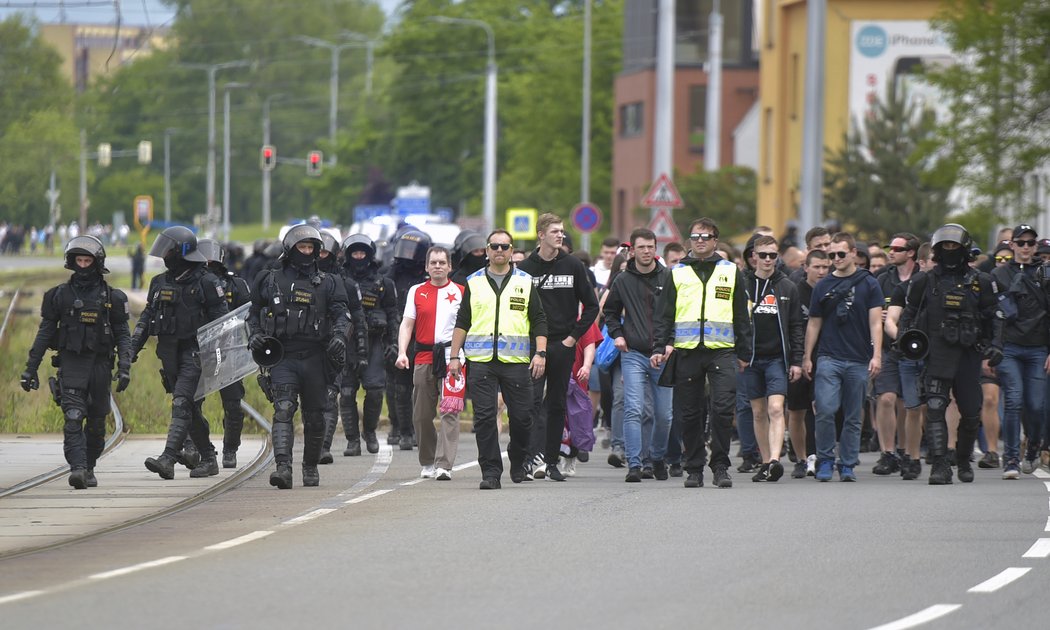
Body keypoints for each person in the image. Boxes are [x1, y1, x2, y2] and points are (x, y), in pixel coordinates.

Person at [21, 236, 132, 489]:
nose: (83, 265)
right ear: (72, 263)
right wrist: (31, 368)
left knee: (96, 423)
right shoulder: (58, 296)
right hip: (71, 364)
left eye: (87, 260)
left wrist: (125, 367)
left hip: (101, 366)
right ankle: (78, 468)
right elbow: (45, 333)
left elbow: (123, 335)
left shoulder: (112, 297)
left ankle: (89, 465)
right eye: (79, 260)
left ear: (97, 262)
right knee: (73, 416)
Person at [247, 225, 350, 489]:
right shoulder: (269, 279)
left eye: (310, 248)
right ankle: (283, 468)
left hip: (316, 357)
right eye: (301, 247)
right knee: (283, 409)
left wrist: (340, 336)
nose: (306, 252)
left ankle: (310, 466)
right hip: (283, 355)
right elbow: (253, 313)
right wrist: (255, 335)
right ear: (290, 249)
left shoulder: (329, 282)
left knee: (315, 417)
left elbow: (342, 314)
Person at [653, 217, 752, 489]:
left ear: (715, 241)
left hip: (721, 350)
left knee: (721, 409)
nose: (699, 241)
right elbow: (664, 314)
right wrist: (659, 347)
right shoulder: (677, 272)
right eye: (695, 237)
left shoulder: (731, 271)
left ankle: (720, 465)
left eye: (705, 237)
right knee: (690, 413)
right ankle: (694, 467)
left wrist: (745, 351)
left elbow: (741, 314)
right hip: (687, 351)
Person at [899, 224, 1003, 483]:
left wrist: (996, 346)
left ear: (965, 249)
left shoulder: (982, 281)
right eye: (945, 246)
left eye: (954, 246)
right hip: (937, 353)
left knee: (970, 412)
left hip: (969, 354)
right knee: (934, 406)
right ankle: (940, 465)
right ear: (936, 250)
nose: (949, 251)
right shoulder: (924, 280)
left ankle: (964, 459)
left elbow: (996, 317)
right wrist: (905, 341)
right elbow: (909, 314)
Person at [449, 229, 548, 489]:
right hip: (481, 360)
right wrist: (454, 357)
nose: (500, 251)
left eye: (505, 247)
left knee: (522, 418)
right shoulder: (474, 281)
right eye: (495, 246)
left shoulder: (525, 281)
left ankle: (518, 459)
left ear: (511, 250)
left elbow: (538, 320)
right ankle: (490, 472)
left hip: (515, 361)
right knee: (483, 417)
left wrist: (540, 353)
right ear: (488, 250)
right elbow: (463, 321)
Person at [132, 226, 228, 479]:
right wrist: (132, 348)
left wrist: (216, 358)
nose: (164, 255)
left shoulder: (207, 282)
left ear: (182, 252)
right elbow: (147, 317)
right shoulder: (159, 283)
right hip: (169, 354)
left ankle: (168, 458)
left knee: (181, 403)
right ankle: (208, 459)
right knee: (190, 410)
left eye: (168, 250)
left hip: (195, 354)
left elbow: (223, 323)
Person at [517, 213, 599, 481]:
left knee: (556, 405)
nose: (560, 235)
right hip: (533, 346)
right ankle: (528, 458)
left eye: (562, 231)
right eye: (554, 231)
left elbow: (591, 306)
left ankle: (551, 462)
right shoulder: (526, 269)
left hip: (563, 345)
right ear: (541, 235)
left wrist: (572, 338)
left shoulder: (573, 265)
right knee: (529, 404)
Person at [803, 232, 883, 482]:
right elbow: (814, 323)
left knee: (852, 413)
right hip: (829, 357)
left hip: (859, 358)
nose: (835, 258)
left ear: (852, 254)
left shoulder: (869, 283)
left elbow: (875, 323)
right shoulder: (824, 285)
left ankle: (847, 463)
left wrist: (877, 355)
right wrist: (807, 356)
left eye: (840, 254)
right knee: (825, 409)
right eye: (831, 255)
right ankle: (825, 459)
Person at [603, 228, 673, 482]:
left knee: (663, 415)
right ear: (632, 250)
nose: (646, 252)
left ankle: (655, 458)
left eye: (651, 247)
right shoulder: (622, 280)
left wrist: (670, 344)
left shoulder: (667, 276)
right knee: (633, 409)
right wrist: (617, 335)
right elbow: (610, 312)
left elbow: (674, 315)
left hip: (663, 354)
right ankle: (634, 464)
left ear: (656, 249)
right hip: (632, 352)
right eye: (641, 247)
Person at [396, 246, 464, 480]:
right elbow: (407, 324)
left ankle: (445, 464)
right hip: (423, 357)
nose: (437, 266)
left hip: (453, 358)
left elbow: (468, 328)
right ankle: (427, 460)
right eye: (433, 263)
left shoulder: (461, 292)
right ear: (426, 267)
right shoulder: (416, 291)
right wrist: (402, 352)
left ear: (449, 266)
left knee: (450, 412)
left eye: (442, 263)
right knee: (422, 414)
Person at [990, 224, 1050, 478]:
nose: (1026, 247)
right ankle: (1011, 458)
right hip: (1010, 348)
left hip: (1038, 348)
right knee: (1013, 401)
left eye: (1030, 243)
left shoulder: (1046, 273)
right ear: (1011, 244)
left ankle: (1034, 446)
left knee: (1036, 405)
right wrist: (991, 348)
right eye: (1021, 242)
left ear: (1035, 246)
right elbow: (992, 315)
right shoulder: (998, 275)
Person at [743, 235, 804, 482]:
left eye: (773, 255)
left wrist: (797, 360)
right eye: (764, 255)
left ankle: (776, 460)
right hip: (750, 359)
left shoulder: (787, 286)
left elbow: (796, 326)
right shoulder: (743, 283)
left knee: (776, 408)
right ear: (754, 256)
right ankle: (766, 461)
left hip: (777, 358)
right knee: (758, 412)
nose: (768, 260)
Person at [340, 234, 398, 456]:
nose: (359, 257)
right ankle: (352, 439)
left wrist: (393, 342)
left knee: (374, 390)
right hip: (347, 342)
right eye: (355, 253)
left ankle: (370, 432)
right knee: (346, 393)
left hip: (375, 342)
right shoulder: (339, 281)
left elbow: (393, 315)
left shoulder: (383, 284)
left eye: (362, 253)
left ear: (369, 255)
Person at [872, 233, 923, 478]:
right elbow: (871, 313)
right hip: (888, 348)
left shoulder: (923, 278)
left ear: (911, 252)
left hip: (917, 351)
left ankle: (905, 451)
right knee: (886, 399)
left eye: (896, 248)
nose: (890, 252)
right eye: (888, 248)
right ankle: (887, 452)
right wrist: (878, 317)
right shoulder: (882, 279)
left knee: (908, 404)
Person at [198, 239, 252, 469]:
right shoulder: (192, 284)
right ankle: (195, 447)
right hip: (199, 353)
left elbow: (250, 315)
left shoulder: (236, 285)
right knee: (190, 403)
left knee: (233, 405)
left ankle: (231, 448)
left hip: (229, 352)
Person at [315, 230, 367, 465]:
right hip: (305, 345)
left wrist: (361, 350)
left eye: (325, 251)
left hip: (337, 345)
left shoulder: (345, 283)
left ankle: (323, 447)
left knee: (332, 395)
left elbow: (357, 318)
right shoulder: (297, 279)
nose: (320, 256)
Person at [384, 229, 430, 450]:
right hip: (397, 334)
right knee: (398, 387)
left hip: (423, 337)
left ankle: (419, 427)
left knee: (423, 388)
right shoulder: (391, 276)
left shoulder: (428, 278)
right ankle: (403, 430)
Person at [786, 249, 830, 478]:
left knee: (821, 407)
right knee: (796, 410)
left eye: (825, 267)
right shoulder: (795, 291)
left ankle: (820, 456)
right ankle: (801, 458)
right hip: (797, 357)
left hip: (825, 357)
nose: (821, 272)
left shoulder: (831, 290)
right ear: (806, 268)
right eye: (817, 267)